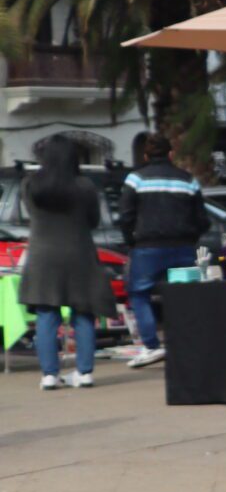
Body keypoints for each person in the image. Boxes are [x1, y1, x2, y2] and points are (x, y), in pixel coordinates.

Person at [20, 137, 115, 390]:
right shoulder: (85, 186)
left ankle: (49, 375)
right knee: (83, 313)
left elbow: (31, 214)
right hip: (79, 253)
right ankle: (84, 373)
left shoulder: (31, 185)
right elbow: (93, 221)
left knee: (46, 314)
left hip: (43, 255)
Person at [117, 131, 206, 369]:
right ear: (171, 153)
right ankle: (186, 344)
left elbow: (125, 216)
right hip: (183, 247)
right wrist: (191, 238)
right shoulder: (188, 180)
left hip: (147, 248)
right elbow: (202, 218)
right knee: (183, 296)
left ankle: (151, 347)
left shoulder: (135, 179)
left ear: (146, 155)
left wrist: (131, 242)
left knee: (139, 294)